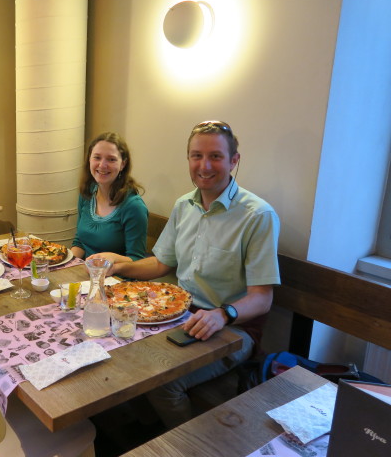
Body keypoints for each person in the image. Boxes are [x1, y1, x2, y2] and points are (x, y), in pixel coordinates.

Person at [108, 121, 280, 428]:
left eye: (215, 156)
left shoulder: (258, 216)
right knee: (117, 351)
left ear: (234, 161)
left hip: (233, 330)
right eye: (196, 155)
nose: (204, 165)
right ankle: (146, 438)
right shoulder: (183, 205)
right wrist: (118, 267)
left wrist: (222, 314)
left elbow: (262, 298)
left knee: (163, 383)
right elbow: (161, 264)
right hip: (179, 316)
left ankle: (191, 447)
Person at [71, 131, 148, 263]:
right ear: (89, 159)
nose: (102, 165)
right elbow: (79, 242)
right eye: (97, 157)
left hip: (119, 280)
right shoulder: (87, 194)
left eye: (111, 159)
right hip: (85, 274)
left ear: (123, 164)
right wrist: (64, 263)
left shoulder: (134, 207)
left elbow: (136, 260)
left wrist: (111, 259)